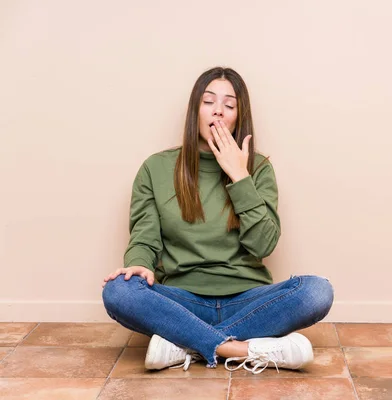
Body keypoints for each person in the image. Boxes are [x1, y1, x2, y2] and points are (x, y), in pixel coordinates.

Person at [101, 66, 334, 374]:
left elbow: (263, 244)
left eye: (230, 104)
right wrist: (139, 263)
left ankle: (185, 342)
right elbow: (144, 238)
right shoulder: (156, 168)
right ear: (194, 110)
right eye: (209, 101)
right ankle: (239, 349)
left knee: (317, 291)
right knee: (118, 290)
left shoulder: (258, 168)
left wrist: (239, 175)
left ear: (239, 116)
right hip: (181, 300)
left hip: (249, 299)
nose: (218, 112)